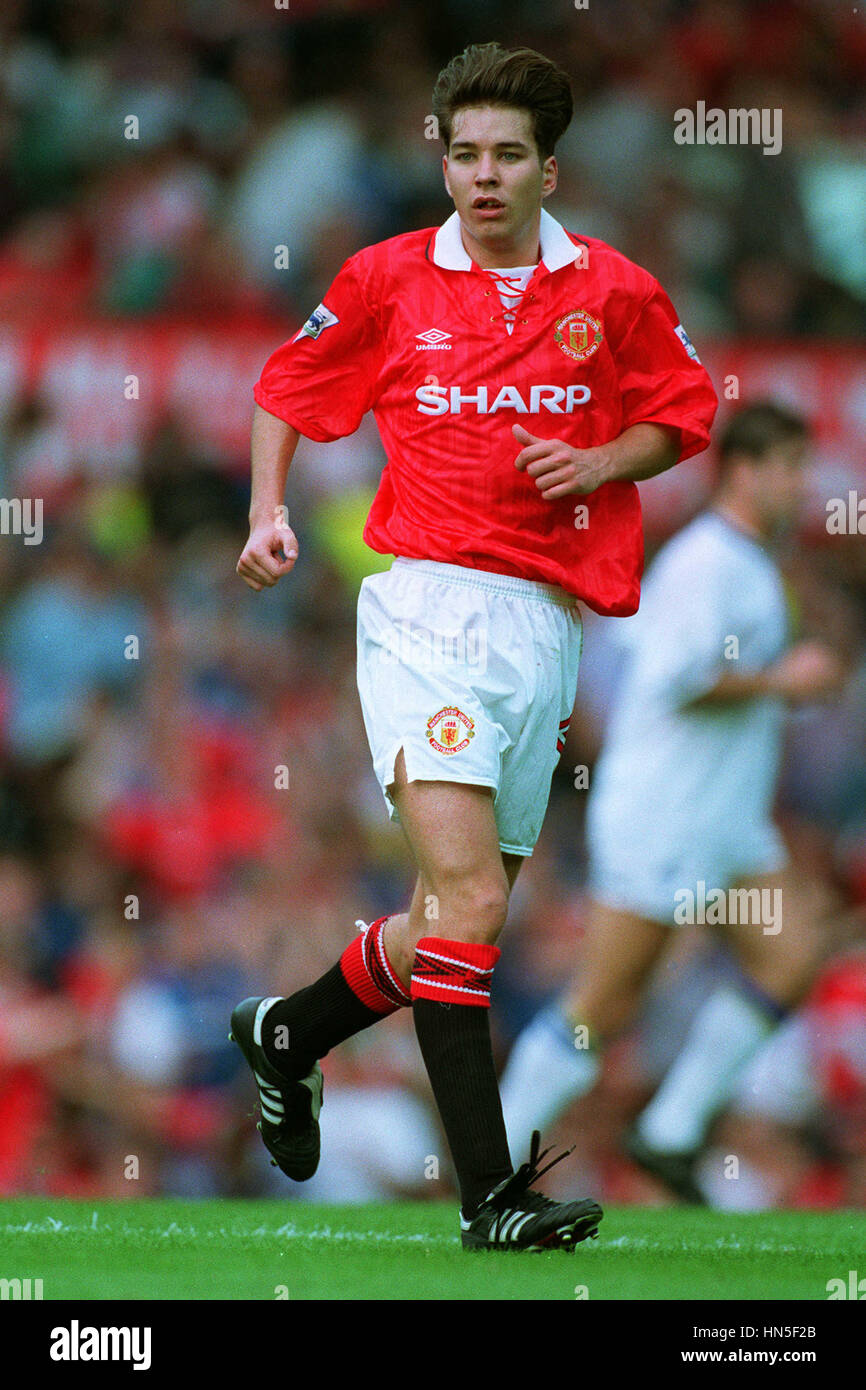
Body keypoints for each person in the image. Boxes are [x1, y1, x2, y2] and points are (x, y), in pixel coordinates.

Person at [231, 41, 717, 1249]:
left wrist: (602, 460)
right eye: (463, 154)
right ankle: (490, 1197)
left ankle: (285, 1033)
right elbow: (288, 388)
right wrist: (267, 512)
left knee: (446, 923)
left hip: (542, 623)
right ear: (438, 159)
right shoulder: (389, 278)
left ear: (549, 170)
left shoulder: (609, 291)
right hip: (424, 609)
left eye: (507, 156)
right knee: (471, 894)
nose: (482, 176)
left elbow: (684, 412)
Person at [500, 401, 847, 1201]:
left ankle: (671, 1131)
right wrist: (782, 680)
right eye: (790, 467)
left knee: (793, 954)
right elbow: (674, 680)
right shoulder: (705, 563)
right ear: (745, 469)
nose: (802, 485)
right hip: (663, 816)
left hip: (726, 823)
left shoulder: (749, 563)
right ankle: (495, 1156)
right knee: (606, 1000)